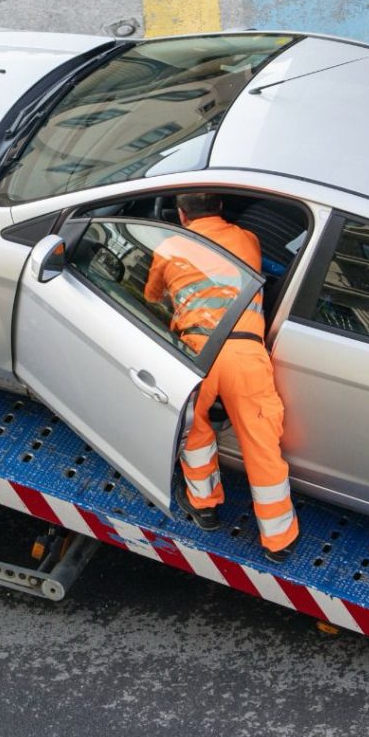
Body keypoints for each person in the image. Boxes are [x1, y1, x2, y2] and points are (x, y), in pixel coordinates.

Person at [144, 191, 299, 563]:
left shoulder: (168, 248)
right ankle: (278, 540)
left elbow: (151, 297)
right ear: (221, 208)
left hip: (197, 352)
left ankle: (205, 507)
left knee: (193, 431)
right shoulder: (248, 239)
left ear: (181, 215)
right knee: (261, 443)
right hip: (245, 351)